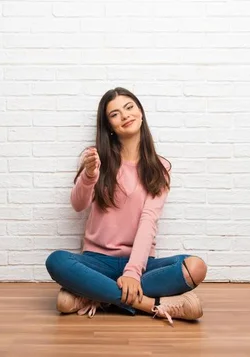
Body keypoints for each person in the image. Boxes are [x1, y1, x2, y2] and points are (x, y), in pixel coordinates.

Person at [45, 87, 208, 326]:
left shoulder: (159, 168)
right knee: (56, 260)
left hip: (141, 264)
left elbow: (148, 221)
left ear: (141, 112)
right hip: (97, 262)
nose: (125, 115)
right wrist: (89, 175)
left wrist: (132, 272)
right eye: (115, 114)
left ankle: (97, 296)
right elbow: (78, 205)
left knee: (195, 267)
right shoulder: (98, 159)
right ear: (109, 125)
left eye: (129, 107)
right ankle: (153, 305)